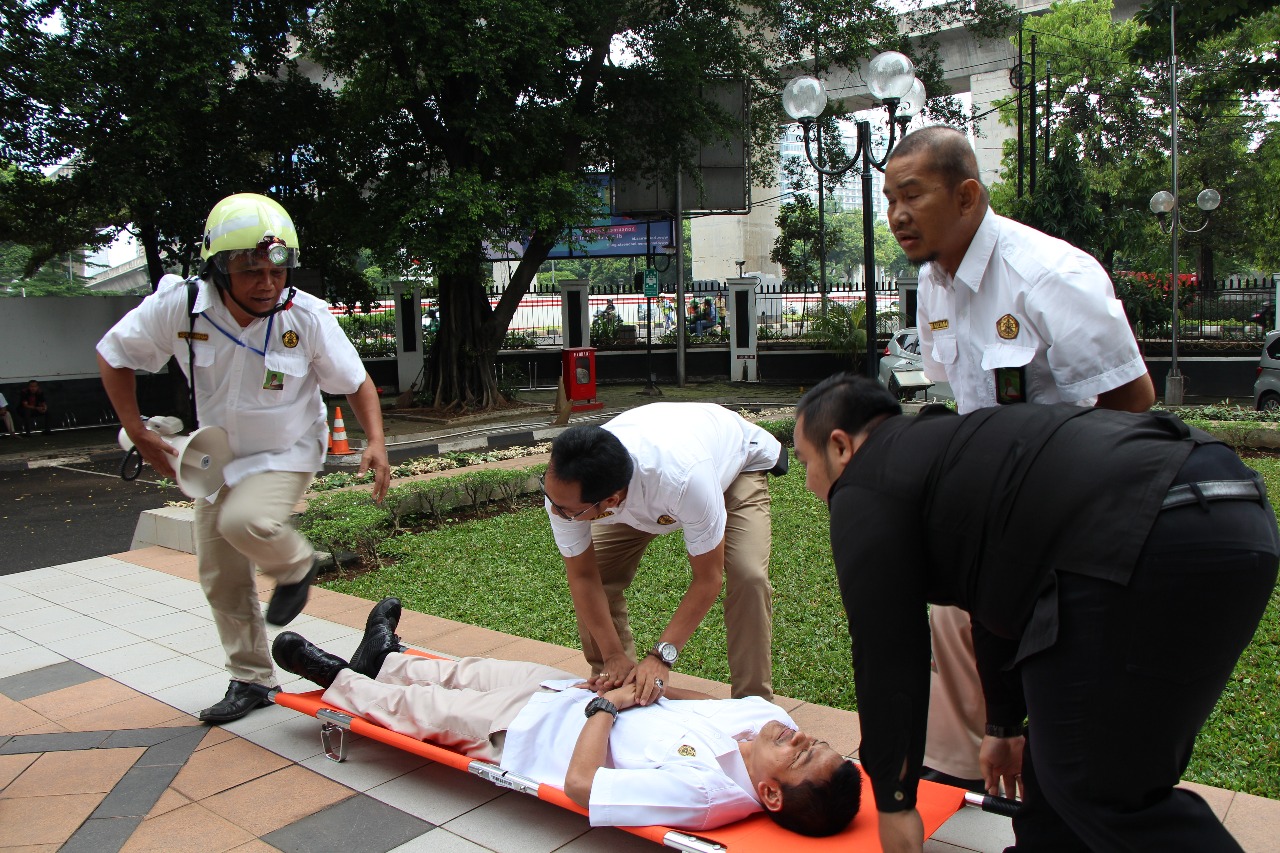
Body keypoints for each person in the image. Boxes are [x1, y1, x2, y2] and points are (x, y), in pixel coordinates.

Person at [793, 373, 1277, 852]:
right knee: (1059, 773)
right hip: (1236, 515)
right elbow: (994, 597)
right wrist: (1003, 724)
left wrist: (895, 801)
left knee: (1093, 785)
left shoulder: (865, 482)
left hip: (1143, 531)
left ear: (840, 447)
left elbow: (888, 648)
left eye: (805, 461)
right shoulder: (951, 450)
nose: (811, 482)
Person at [882, 125, 1157, 789]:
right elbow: (969, 399)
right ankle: (961, 769)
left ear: (968, 194)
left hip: (1076, 497)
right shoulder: (934, 286)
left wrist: (1060, 492)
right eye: (889, 198)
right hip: (993, 503)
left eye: (912, 195)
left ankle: (1057, 771)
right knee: (945, 602)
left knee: (1057, 662)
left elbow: (1133, 395)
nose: (896, 215)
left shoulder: (1047, 273)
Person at [96, 193, 391, 724]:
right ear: (218, 267)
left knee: (245, 520)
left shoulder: (307, 316)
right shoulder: (181, 306)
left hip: (290, 448)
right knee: (221, 573)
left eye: (276, 270)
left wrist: (375, 440)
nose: (266, 282)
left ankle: (296, 564)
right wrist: (137, 431)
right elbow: (114, 355)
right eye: (250, 269)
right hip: (217, 454)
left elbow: (356, 382)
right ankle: (251, 679)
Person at [272, 597, 860, 836]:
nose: (800, 734)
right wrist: (635, 685)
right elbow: (705, 704)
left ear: (771, 795)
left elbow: (583, 787)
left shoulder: (705, 794)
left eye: (802, 754)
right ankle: (388, 656)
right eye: (818, 740)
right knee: (461, 669)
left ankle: (334, 677)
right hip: (565, 692)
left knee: (418, 710)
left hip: (526, 736)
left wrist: (606, 709)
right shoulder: (762, 716)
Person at [542, 403, 786, 702]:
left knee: (749, 577)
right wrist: (612, 654)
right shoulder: (564, 494)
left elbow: (708, 579)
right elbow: (582, 576)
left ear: (610, 500)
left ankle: (754, 705)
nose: (555, 511)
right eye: (552, 499)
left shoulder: (682, 480)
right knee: (600, 576)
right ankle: (617, 681)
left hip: (733, 468)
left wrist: (661, 657)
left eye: (567, 510)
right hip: (649, 486)